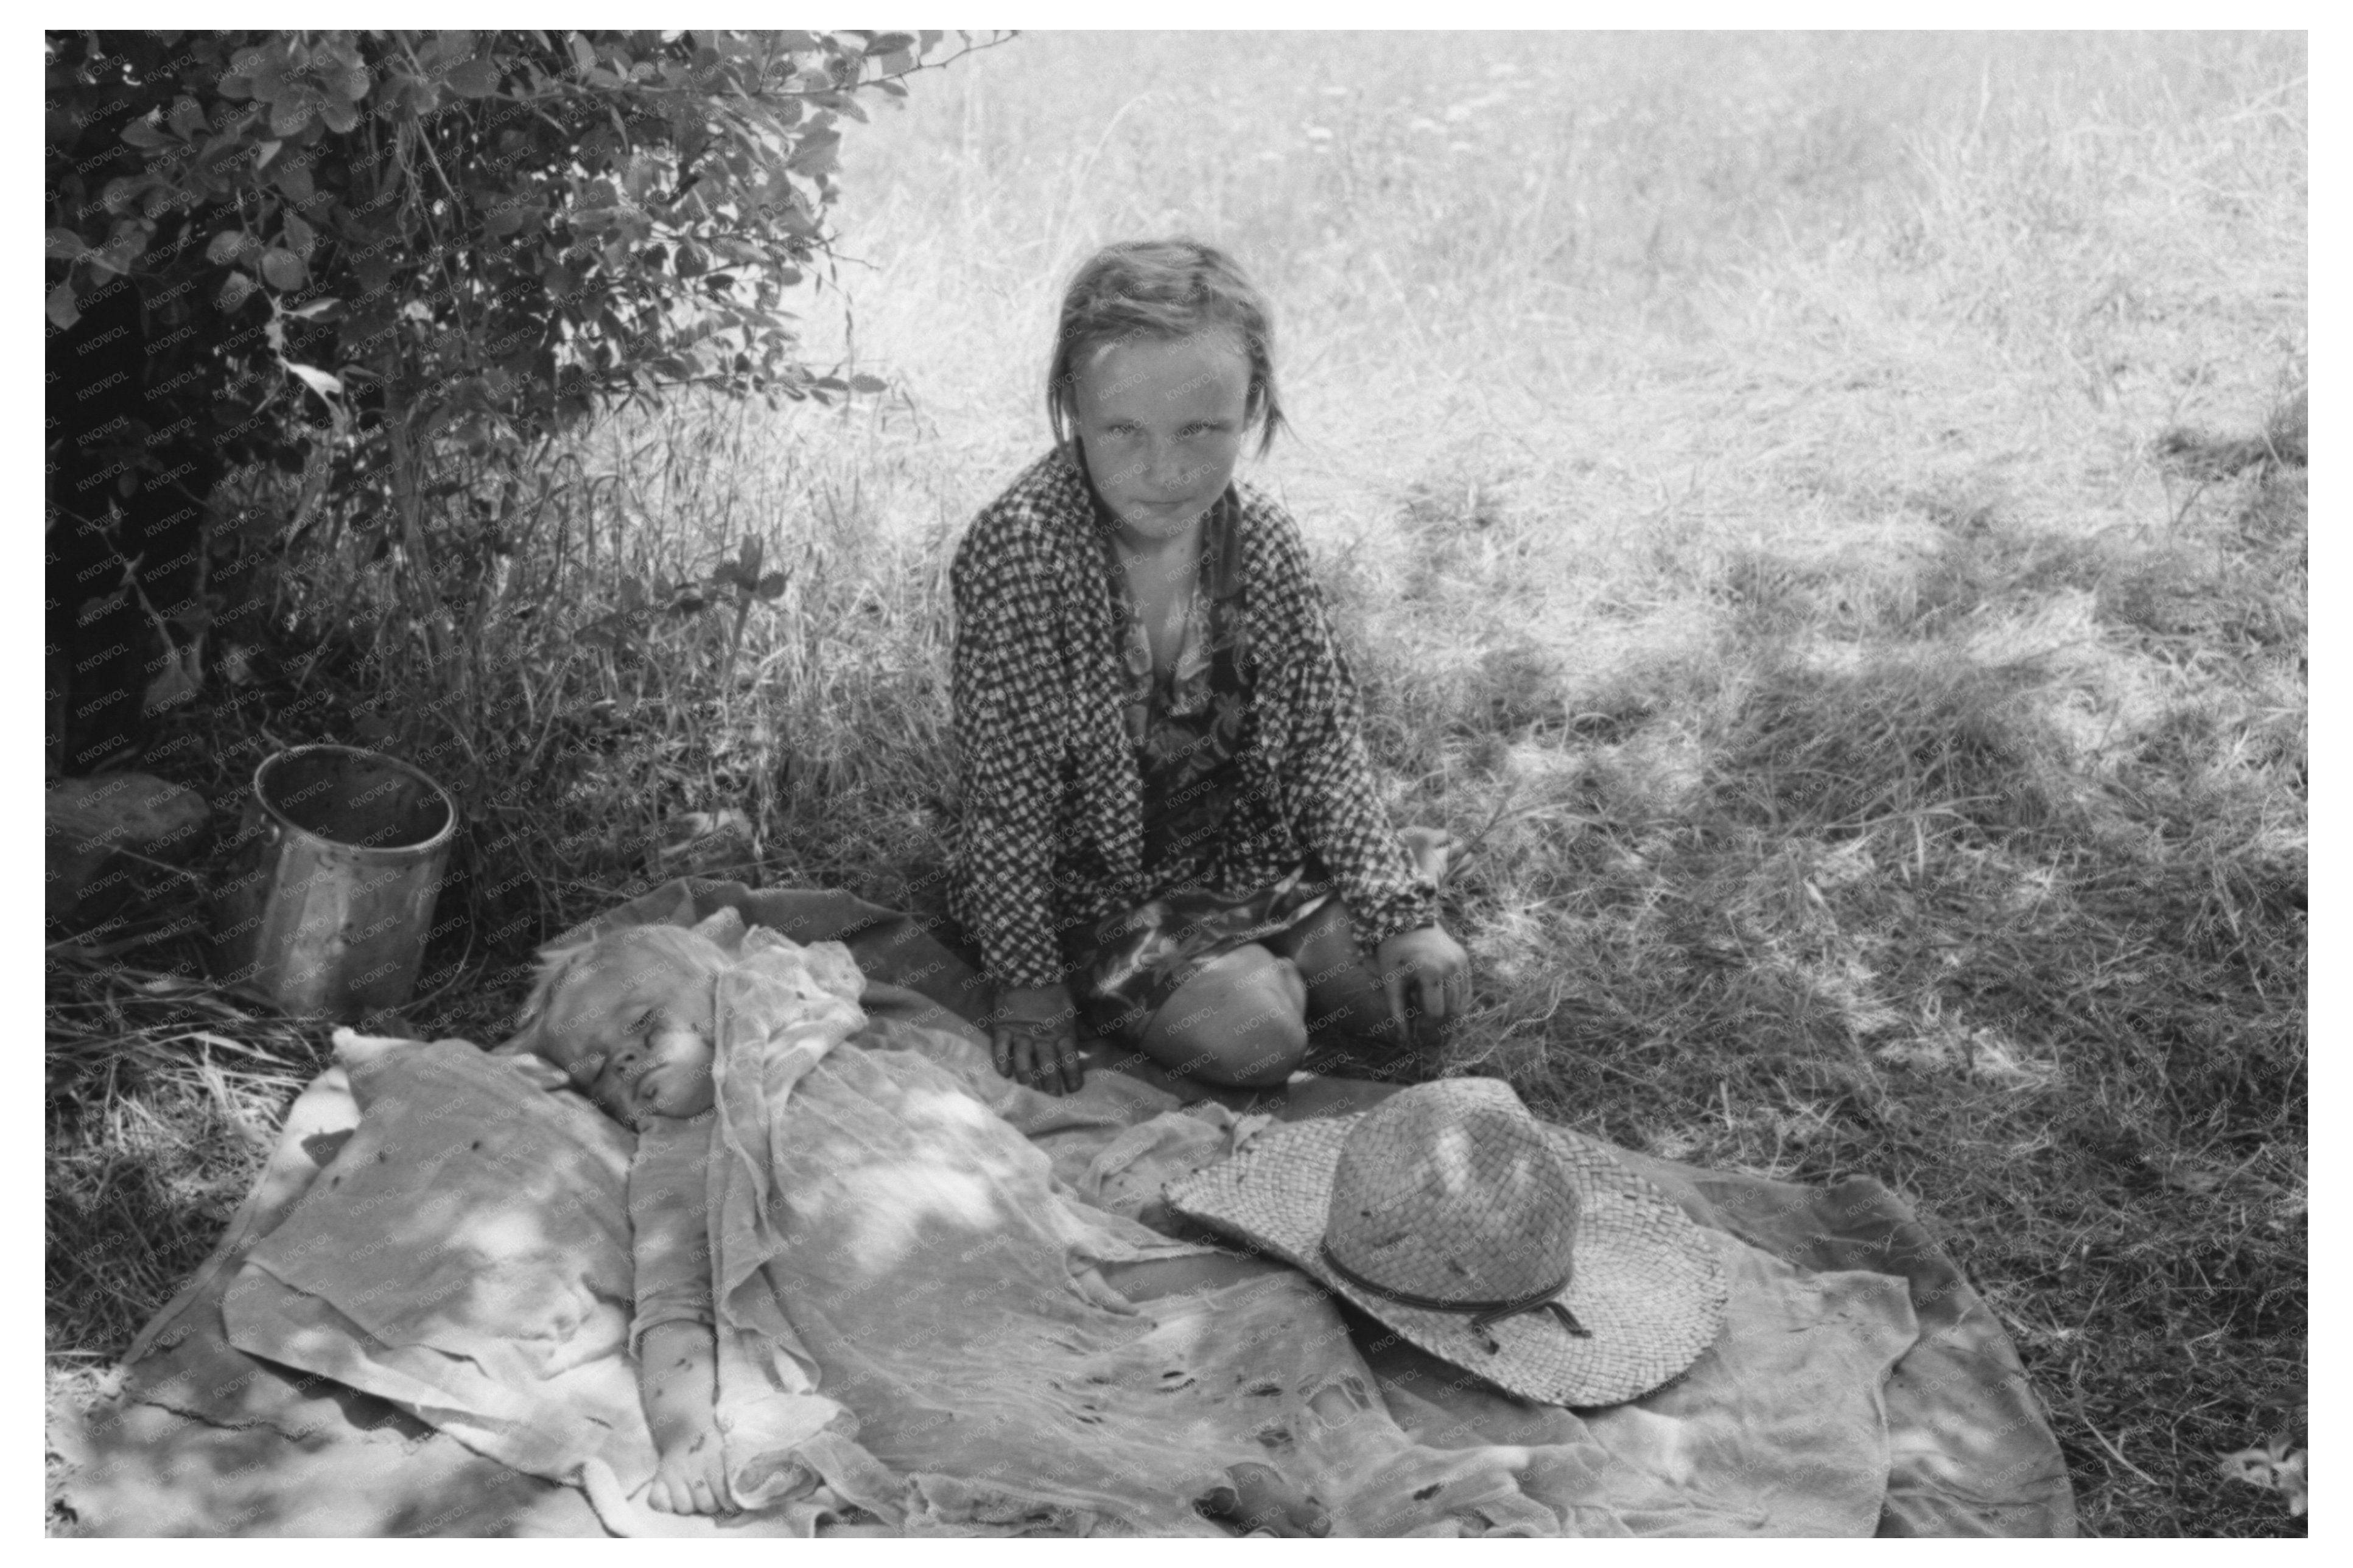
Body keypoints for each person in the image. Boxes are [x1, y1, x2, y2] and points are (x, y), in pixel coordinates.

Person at [518, 923, 1334, 1535]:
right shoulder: (676, 1156)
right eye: (598, 1073)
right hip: (909, 1335)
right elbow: (672, 1304)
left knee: (1259, 1301)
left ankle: (1235, 1452)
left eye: (642, 1025)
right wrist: (684, 1434)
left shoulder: (837, 1042)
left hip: (1038, 1254)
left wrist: (1056, 1218)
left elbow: (982, 1128)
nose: (624, 1064)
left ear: (725, 990)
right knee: (989, 1429)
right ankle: (1185, 1492)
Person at [950, 237, 1472, 1099]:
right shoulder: (1024, 553)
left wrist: (1399, 920)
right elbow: (1008, 800)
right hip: (1094, 894)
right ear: (1071, 405)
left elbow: (1317, 748)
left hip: (1239, 858)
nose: (1164, 471)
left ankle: (1307, 932)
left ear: (1252, 407)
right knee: (1257, 1042)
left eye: (1202, 430)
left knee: (1409, 1002)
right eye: (1124, 431)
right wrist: (1026, 981)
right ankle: (1243, 975)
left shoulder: (1258, 539)